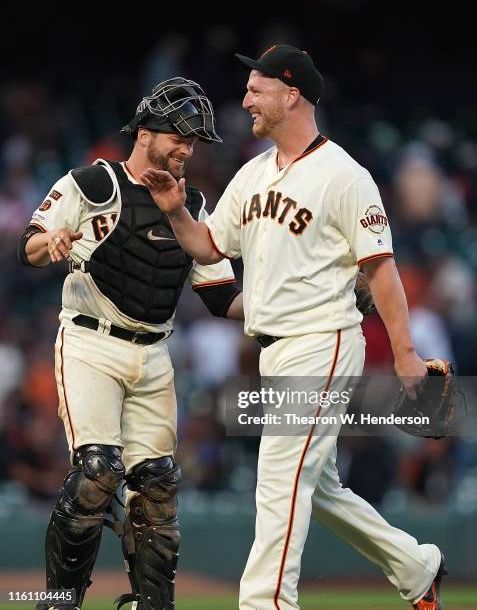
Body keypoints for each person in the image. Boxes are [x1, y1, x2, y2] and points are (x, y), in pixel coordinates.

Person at [142, 47, 447, 610]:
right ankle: (416, 565)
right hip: (273, 350)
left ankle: (266, 604)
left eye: (256, 89)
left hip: (323, 340)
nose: (245, 100)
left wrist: (405, 353)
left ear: (291, 94)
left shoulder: (344, 175)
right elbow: (211, 246)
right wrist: (176, 211)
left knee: (280, 478)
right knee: (317, 486)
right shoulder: (253, 173)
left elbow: (380, 268)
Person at [18, 77, 243, 610]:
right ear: (145, 132)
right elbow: (26, 246)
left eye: (193, 142)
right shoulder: (93, 184)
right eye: (179, 138)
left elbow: (221, 298)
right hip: (91, 340)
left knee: (159, 484)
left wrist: (295, 313)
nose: (187, 150)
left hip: (154, 352)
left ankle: (152, 603)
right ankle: (60, 601)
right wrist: (47, 243)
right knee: (98, 471)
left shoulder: (193, 206)